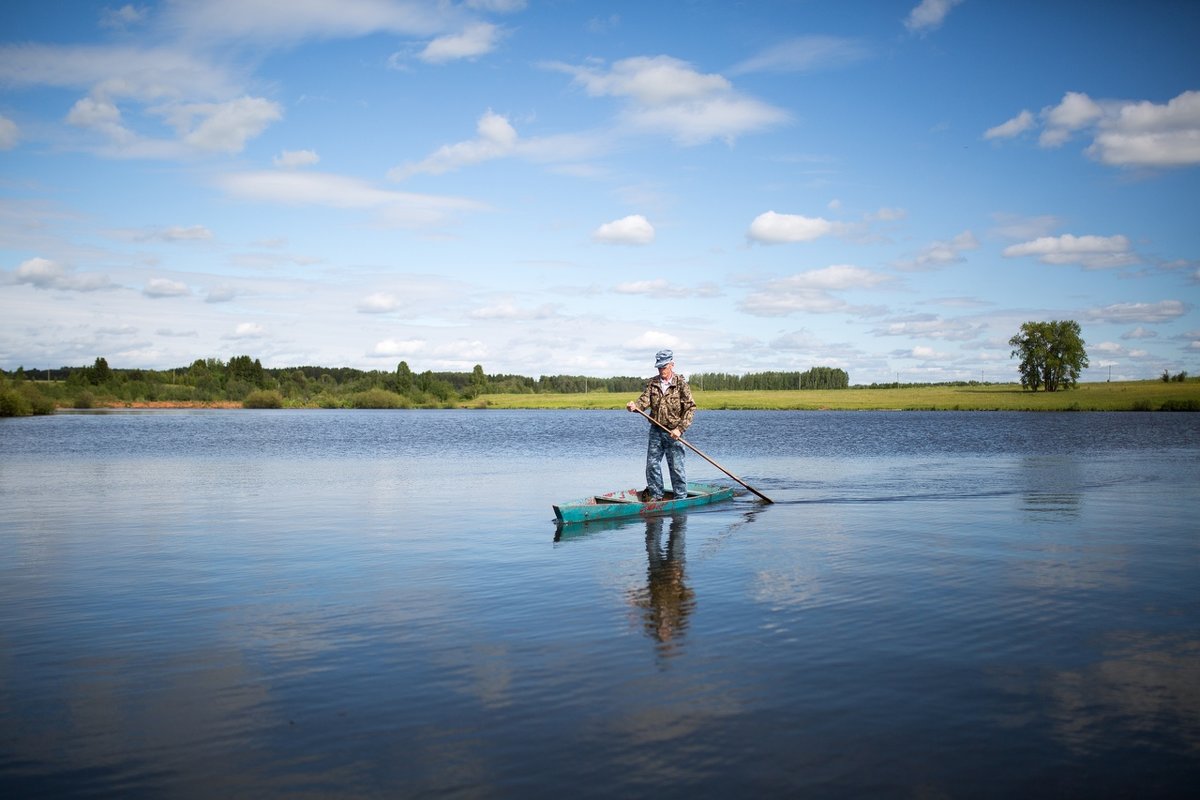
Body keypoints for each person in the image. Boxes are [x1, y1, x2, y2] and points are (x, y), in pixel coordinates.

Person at [626, 349, 696, 500]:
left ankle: (680, 498)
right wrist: (634, 406)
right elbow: (643, 402)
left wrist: (680, 429)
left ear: (672, 365)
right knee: (652, 465)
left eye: (664, 367)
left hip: (674, 432)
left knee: (676, 467)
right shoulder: (653, 383)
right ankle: (656, 496)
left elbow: (690, 408)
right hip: (656, 430)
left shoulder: (681, 384)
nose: (661, 370)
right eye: (659, 367)